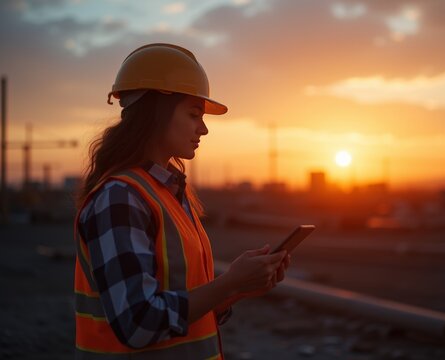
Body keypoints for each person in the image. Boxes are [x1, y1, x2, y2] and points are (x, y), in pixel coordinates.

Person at [74, 43, 291, 359]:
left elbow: (180, 313)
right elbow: (138, 324)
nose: (203, 128)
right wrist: (227, 282)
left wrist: (236, 289)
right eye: (193, 114)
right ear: (155, 113)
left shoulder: (169, 195)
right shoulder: (120, 198)